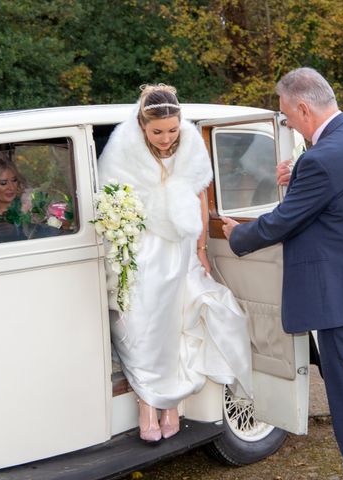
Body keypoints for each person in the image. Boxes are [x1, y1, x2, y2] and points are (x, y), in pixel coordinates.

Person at [221, 67, 343, 480]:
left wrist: (238, 235)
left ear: (304, 107)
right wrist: (301, 170)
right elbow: (339, 191)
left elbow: (283, 222)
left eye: (287, 115)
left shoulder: (322, 160)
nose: (287, 122)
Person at [98, 84, 252, 443]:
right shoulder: (123, 147)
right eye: (157, 132)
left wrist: (200, 249)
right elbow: (110, 198)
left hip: (179, 246)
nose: (166, 139)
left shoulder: (190, 144)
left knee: (176, 322)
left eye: (172, 130)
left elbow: (199, 196)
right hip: (140, 248)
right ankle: (147, 402)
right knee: (139, 324)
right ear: (142, 124)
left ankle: (170, 402)